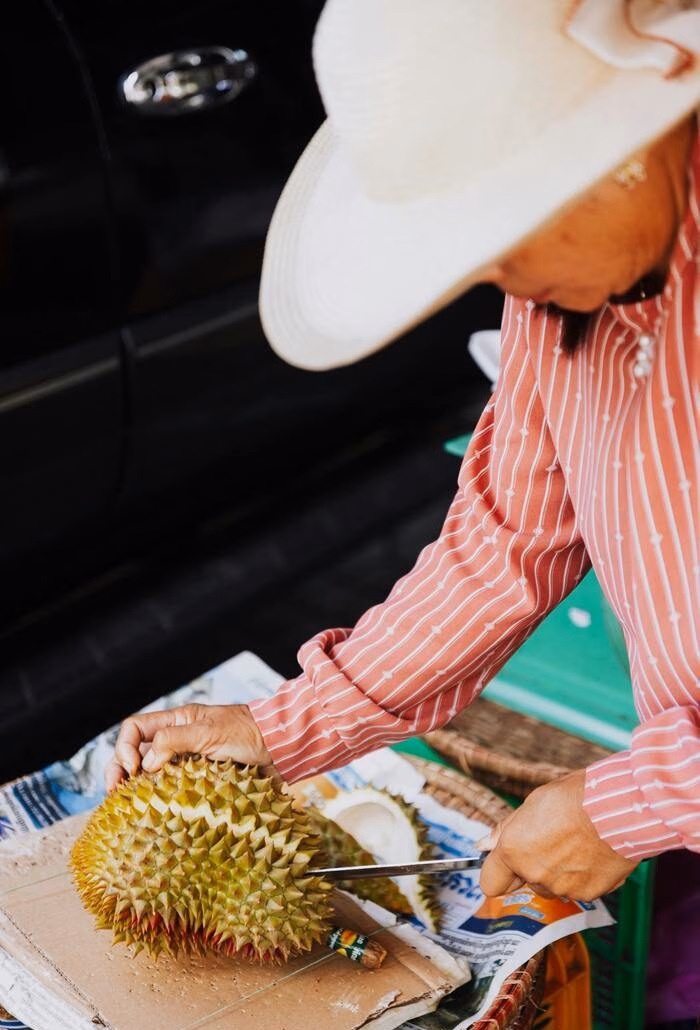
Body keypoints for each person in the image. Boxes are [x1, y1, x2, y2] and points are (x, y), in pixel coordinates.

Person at [106, 0, 699, 903]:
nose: (493, 284)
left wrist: (630, 803)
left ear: (618, 153)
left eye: (495, 239)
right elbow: (506, 544)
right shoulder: (553, 304)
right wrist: (285, 726)